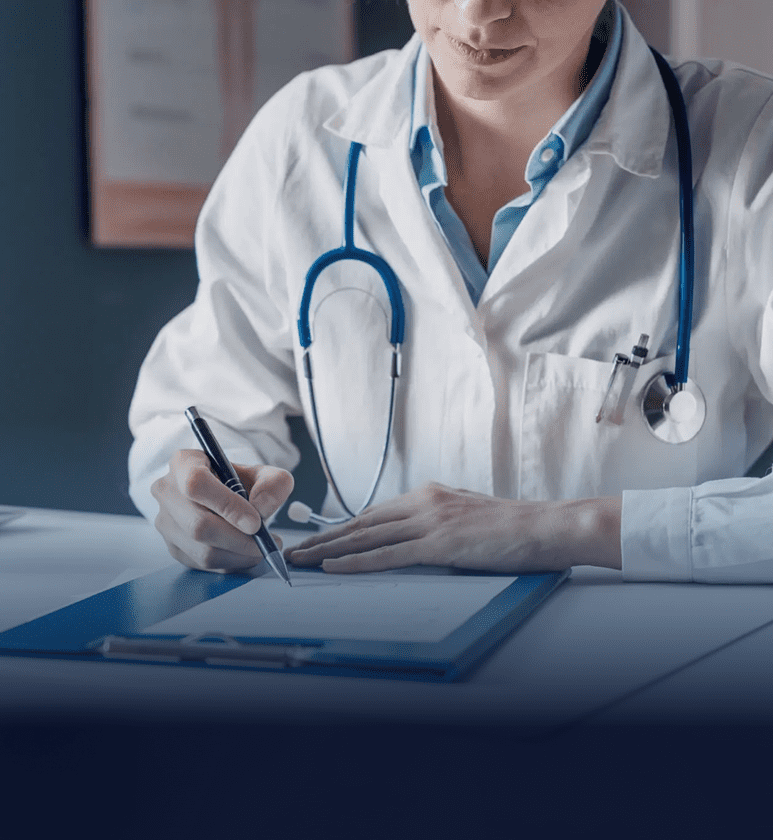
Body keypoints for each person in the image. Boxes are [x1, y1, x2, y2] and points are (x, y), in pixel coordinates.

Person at [128, 0, 773, 583]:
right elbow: (201, 404)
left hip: (642, 661)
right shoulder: (302, 135)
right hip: (361, 645)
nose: (476, 13)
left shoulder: (750, 143)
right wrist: (204, 493)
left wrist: (566, 529)